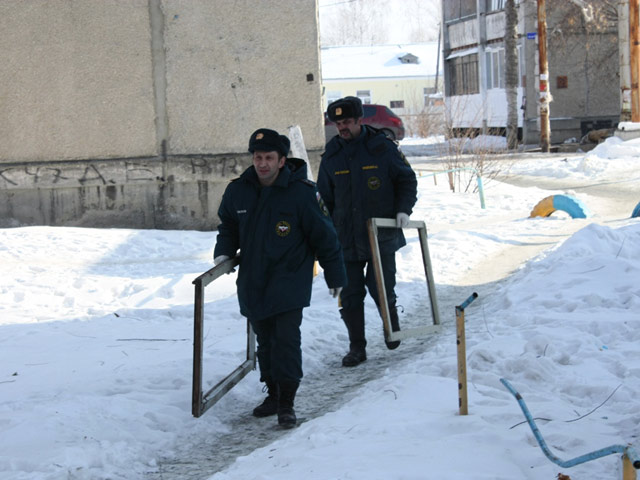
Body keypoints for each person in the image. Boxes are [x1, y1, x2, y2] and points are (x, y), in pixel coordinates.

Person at [213, 128, 347, 427]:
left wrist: (335, 274)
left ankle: (287, 402)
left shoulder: (302, 193)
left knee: (285, 341)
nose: (262, 164)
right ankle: (273, 393)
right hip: (254, 281)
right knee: (265, 342)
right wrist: (223, 253)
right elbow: (228, 226)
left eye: (269, 158)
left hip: (289, 280)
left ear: (282, 161)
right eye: (258, 157)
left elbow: (325, 237)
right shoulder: (238, 191)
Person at [317, 96, 417, 367]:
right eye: (338, 123)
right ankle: (356, 347)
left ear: (360, 120)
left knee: (381, 286)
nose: (342, 128)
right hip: (345, 238)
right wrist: (325, 231)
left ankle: (391, 326)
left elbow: (407, 180)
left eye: (347, 122)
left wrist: (403, 210)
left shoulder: (381, 148)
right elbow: (323, 198)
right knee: (349, 295)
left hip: (380, 235)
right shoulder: (332, 154)